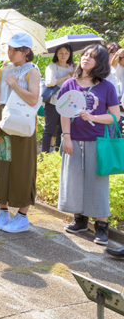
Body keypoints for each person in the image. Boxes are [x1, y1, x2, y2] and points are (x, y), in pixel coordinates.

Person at [58, 44, 120, 246]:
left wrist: (93, 116)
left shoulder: (107, 87)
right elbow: (64, 112)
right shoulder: (69, 84)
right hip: (73, 140)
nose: (85, 58)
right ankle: (80, 219)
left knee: (97, 183)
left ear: (100, 62)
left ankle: (101, 226)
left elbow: (115, 117)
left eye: (91, 57)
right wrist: (66, 137)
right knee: (75, 180)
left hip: (97, 141)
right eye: (84, 55)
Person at [0, 33, 41, 233]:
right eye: (9, 49)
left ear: (26, 51)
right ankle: (3, 209)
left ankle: (21, 215)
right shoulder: (2, 70)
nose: (10, 53)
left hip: (22, 123)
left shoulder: (32, 72)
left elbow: (33, 99)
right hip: (3, 120)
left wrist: (14, 83)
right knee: (3, 162)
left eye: (15, 50)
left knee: (23, 165)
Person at [42, 44, 75, 153]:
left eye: (66, 53)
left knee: (62, 130)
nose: (63, 55)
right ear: (56, 53)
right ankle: (44, 155)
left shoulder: (72, 68)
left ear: (69, 54)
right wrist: (67, 77)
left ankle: (59, 154)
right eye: (61, 52)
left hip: (67, 103)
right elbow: (49, 82)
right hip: (53, 102)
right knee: (49, 130)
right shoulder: (52, 66)